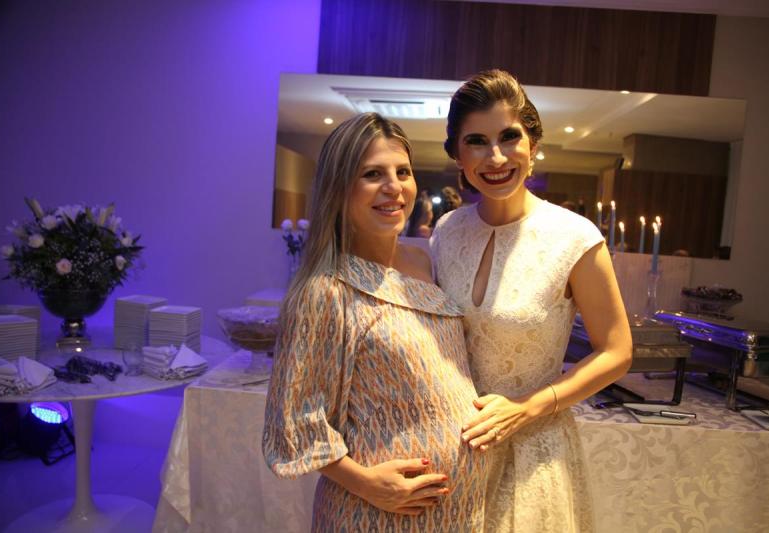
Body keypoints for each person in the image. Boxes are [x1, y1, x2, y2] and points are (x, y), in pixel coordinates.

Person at [263, 112, 488, 532]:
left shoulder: (422, 260)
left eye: (402, 172)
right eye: (372, 174)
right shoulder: (325, 290)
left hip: (457, 513)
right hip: (377, 514)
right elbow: (295, 419)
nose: (394, 187)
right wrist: (367, 484)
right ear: (339, 189)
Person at [431, 70, 632, 532]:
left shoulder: (574, 237)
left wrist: (526, 407)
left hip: (534, 451)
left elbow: (618, 351)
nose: (496, 157)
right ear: (457, 154)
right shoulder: (446, 232)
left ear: (533, 143)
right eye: (477, 141)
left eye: (509, 137)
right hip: (454, 448)